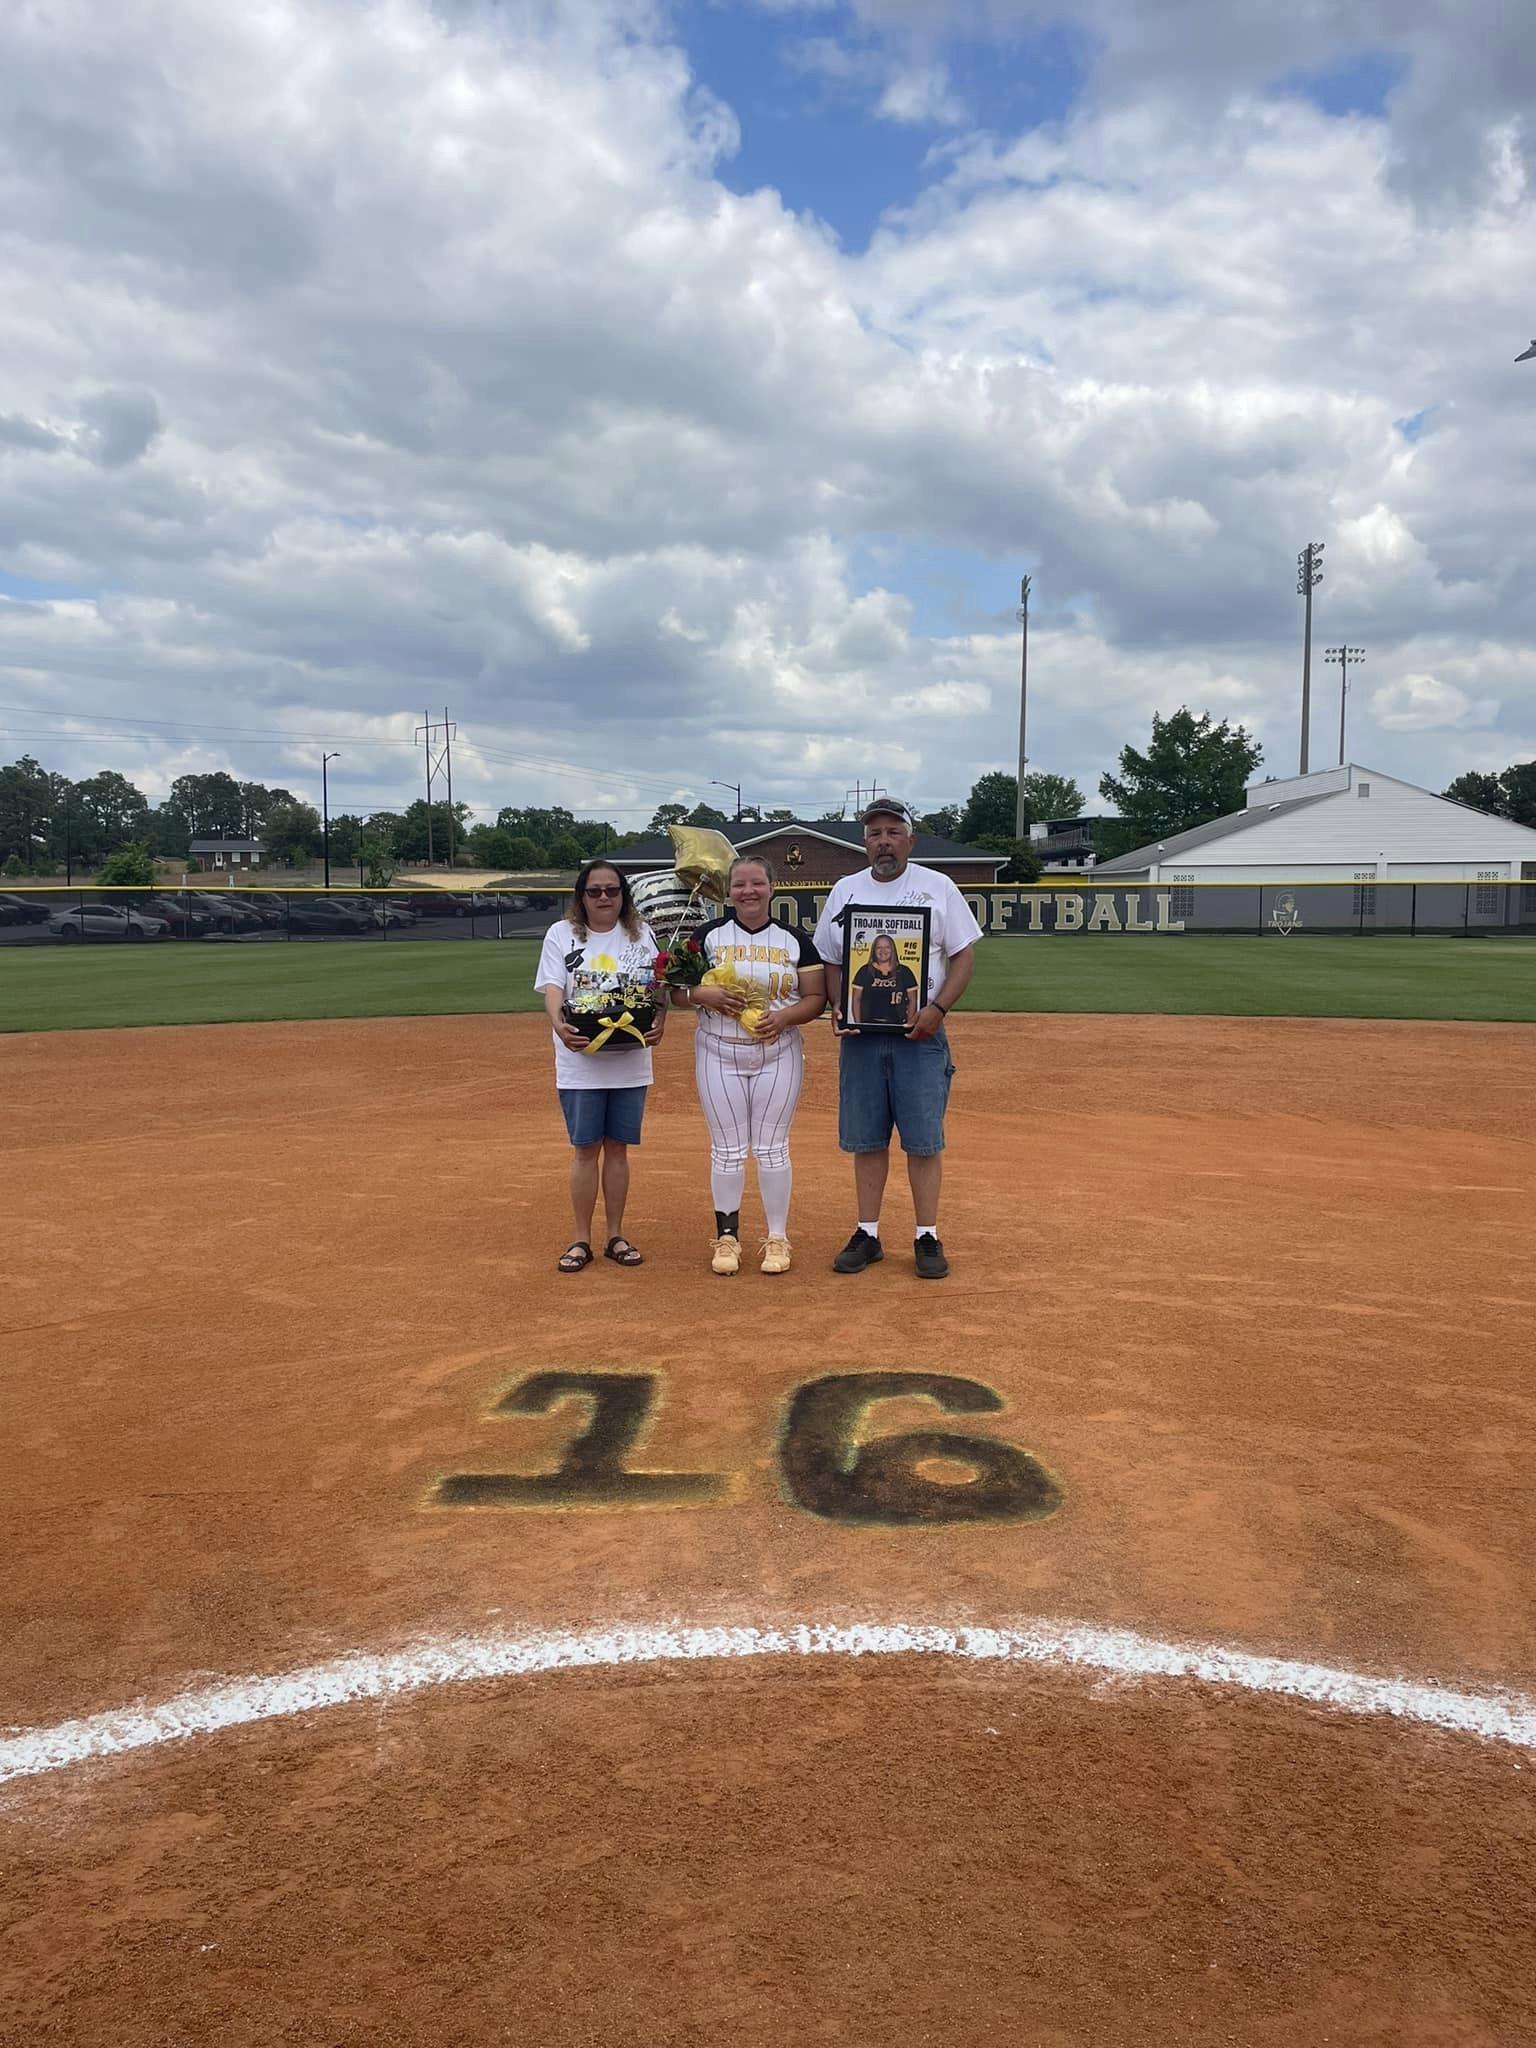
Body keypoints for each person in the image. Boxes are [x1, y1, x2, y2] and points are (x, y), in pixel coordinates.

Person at [813, 797, 983, 1280]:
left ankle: (926, 1235)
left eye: (892, 831)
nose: (882, 841)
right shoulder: (845, 890)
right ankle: (867, 1233)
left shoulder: (937, 887)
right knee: (867, 1139)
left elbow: (963, 957)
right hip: (862, 1037)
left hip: (920, 1035)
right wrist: (837, 1004)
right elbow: (829, 957)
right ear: (863, 842)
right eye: (873, 833)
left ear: (910, 838)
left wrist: (938, 1008)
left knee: (924, 1140)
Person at [676, 853, 825, 1275]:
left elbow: (816, 998)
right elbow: (674, 991)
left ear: (771, 887)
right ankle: (727, 1238)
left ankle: (776, 1237)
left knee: (772, 1148)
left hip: (777, 1052)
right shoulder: (708, 935)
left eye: (756, 883)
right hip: (718, 1050)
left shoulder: (794, 939)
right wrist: (698, 995)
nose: (748, 891)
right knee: (726, 1150)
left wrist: (784, 1017)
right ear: (728, 890)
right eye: (739, 884)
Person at [536, 859, 666, 1273]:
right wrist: (559, 1026)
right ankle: (580, 1238)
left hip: (629, 1059)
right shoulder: (562, 934)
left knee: (618, 1150)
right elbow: (555, 988)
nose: (604, 897)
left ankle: (614, 1234)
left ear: (623, 895)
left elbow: (654, 987)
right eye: (595, 891)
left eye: (612, 890)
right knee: (585, 1150)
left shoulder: (640, 932)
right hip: (581, 1062)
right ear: (582, 896)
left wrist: (660, 1019)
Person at [850, 932, 920, 1030]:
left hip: (897, 1024)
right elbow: (856, 1000)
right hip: (870, 1024)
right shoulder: (864, 971)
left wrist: (908, 1025)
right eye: (879, 947)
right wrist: (858, 1026)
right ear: (874, 950)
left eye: (887, 947)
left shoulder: (905, 971)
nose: (883, 951)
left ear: (893, 949)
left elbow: (912, 1000)